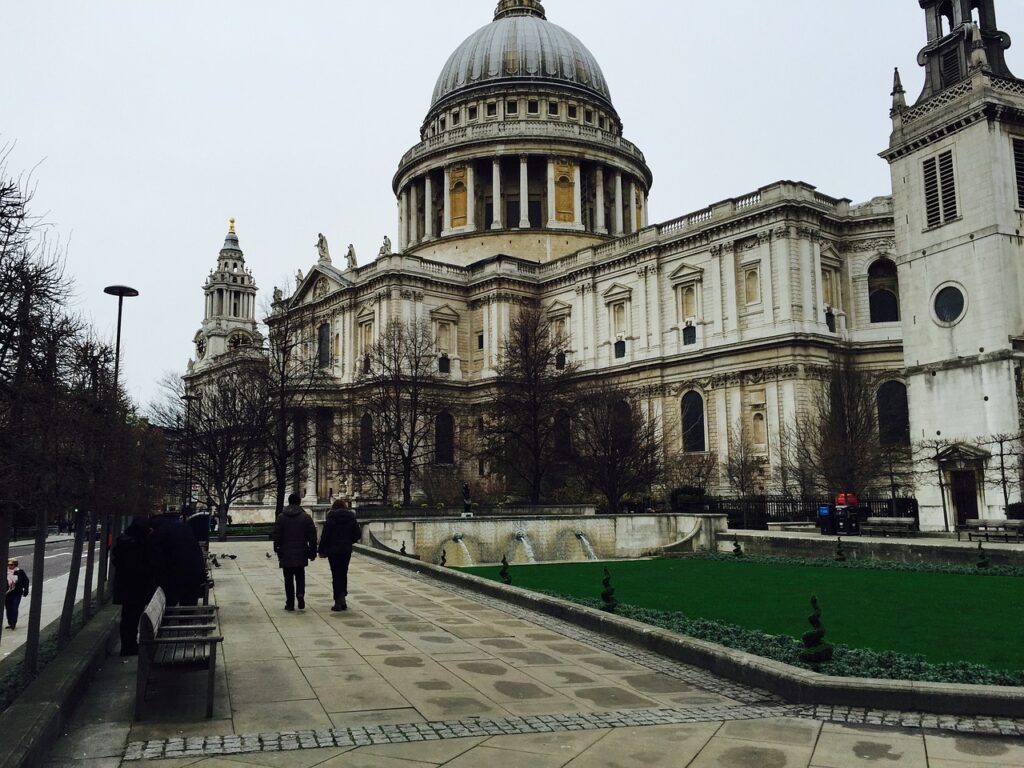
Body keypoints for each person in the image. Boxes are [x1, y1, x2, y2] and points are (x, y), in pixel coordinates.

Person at [112, 519, 156, 656]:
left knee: (128, 617)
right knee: (131, 617)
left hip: (126, 588)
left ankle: (128, 645)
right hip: (134, 588)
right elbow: (139, 568)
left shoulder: (124, 543)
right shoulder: (135, 545)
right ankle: (129, 646)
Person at [146, 512, 207, 606]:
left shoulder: (160, 531)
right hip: (194, 572)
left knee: (169, 602)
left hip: (177, 575)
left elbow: (156, 558)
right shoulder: (183, 527)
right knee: (188, 603)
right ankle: (186, 620)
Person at [273, 493, 317, 611]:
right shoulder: (305, 517)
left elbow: (276, 535)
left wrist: (276, 548)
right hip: (301, 551)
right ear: (299, 502)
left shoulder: (281, 517)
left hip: (285, 551)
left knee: (288, 579)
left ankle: (290, 603)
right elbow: (312, 536)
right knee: (300, 575)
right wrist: (313, 552)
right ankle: (300, 594)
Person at [318, 498, 361, 611]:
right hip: (345, 549)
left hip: (333, 550)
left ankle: (338, 600)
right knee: (343, 573)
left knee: (335, 574)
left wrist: (321, 550)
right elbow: (357, 534)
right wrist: (349, 541)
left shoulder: (331, 517)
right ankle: (343, 597)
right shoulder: (351, 517)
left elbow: (325, 535)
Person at [5, 559, 30, 630]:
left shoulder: (20, 572)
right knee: (8, 609)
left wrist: (26, 589)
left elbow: (26, 580)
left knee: (14, 608)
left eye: (11, 564)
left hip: (17, 593)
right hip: (7, 594)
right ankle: (10, 623)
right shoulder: (4, 571)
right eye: (8, 564)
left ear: (15, 564)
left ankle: (13, 623)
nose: (10, 566)